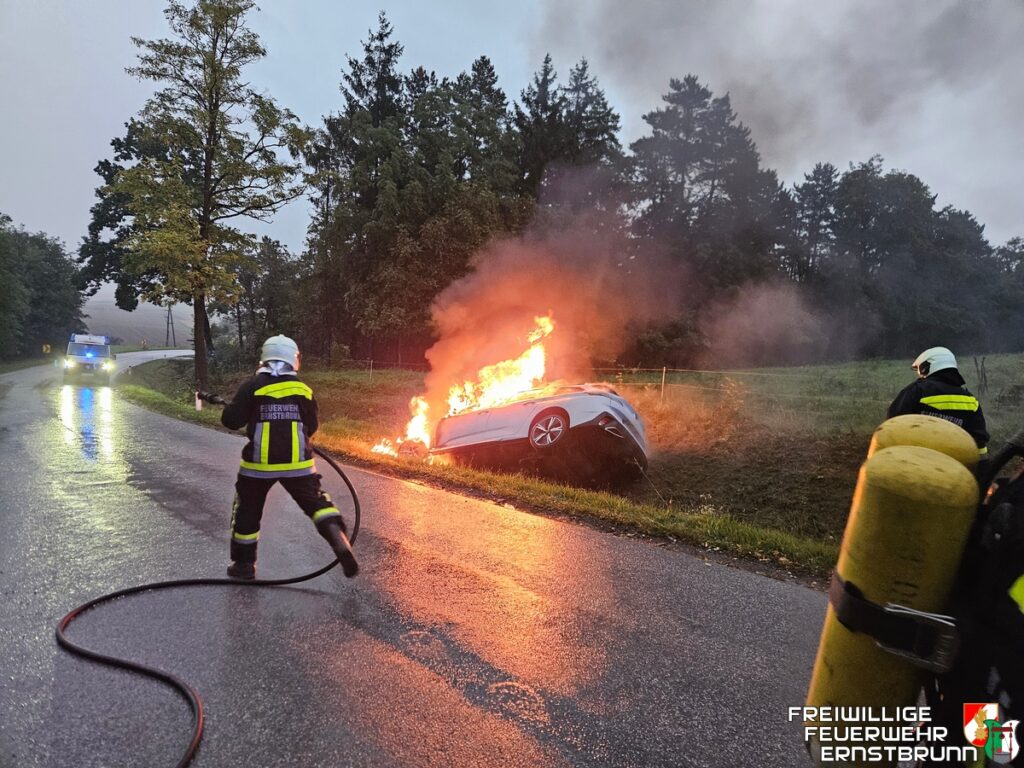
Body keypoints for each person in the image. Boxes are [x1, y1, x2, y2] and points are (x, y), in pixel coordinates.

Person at [220, 335, 358, 580]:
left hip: (258, 466)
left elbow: (231, 421)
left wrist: (237, 409)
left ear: (265, 357)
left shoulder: (253, 385)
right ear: (294, 359)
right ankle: (337, 537)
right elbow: (311, 425)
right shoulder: (303, 389)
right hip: (299, 465)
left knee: (247, 510)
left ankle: (244, 566)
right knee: (316, 503)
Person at [887, 346, 989, 464]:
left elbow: (892, 424)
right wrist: (981, 471)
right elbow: (980, 443)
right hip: (956, 468)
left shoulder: (917, 390)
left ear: (926, 367)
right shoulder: (971, 401)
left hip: (917, 463)